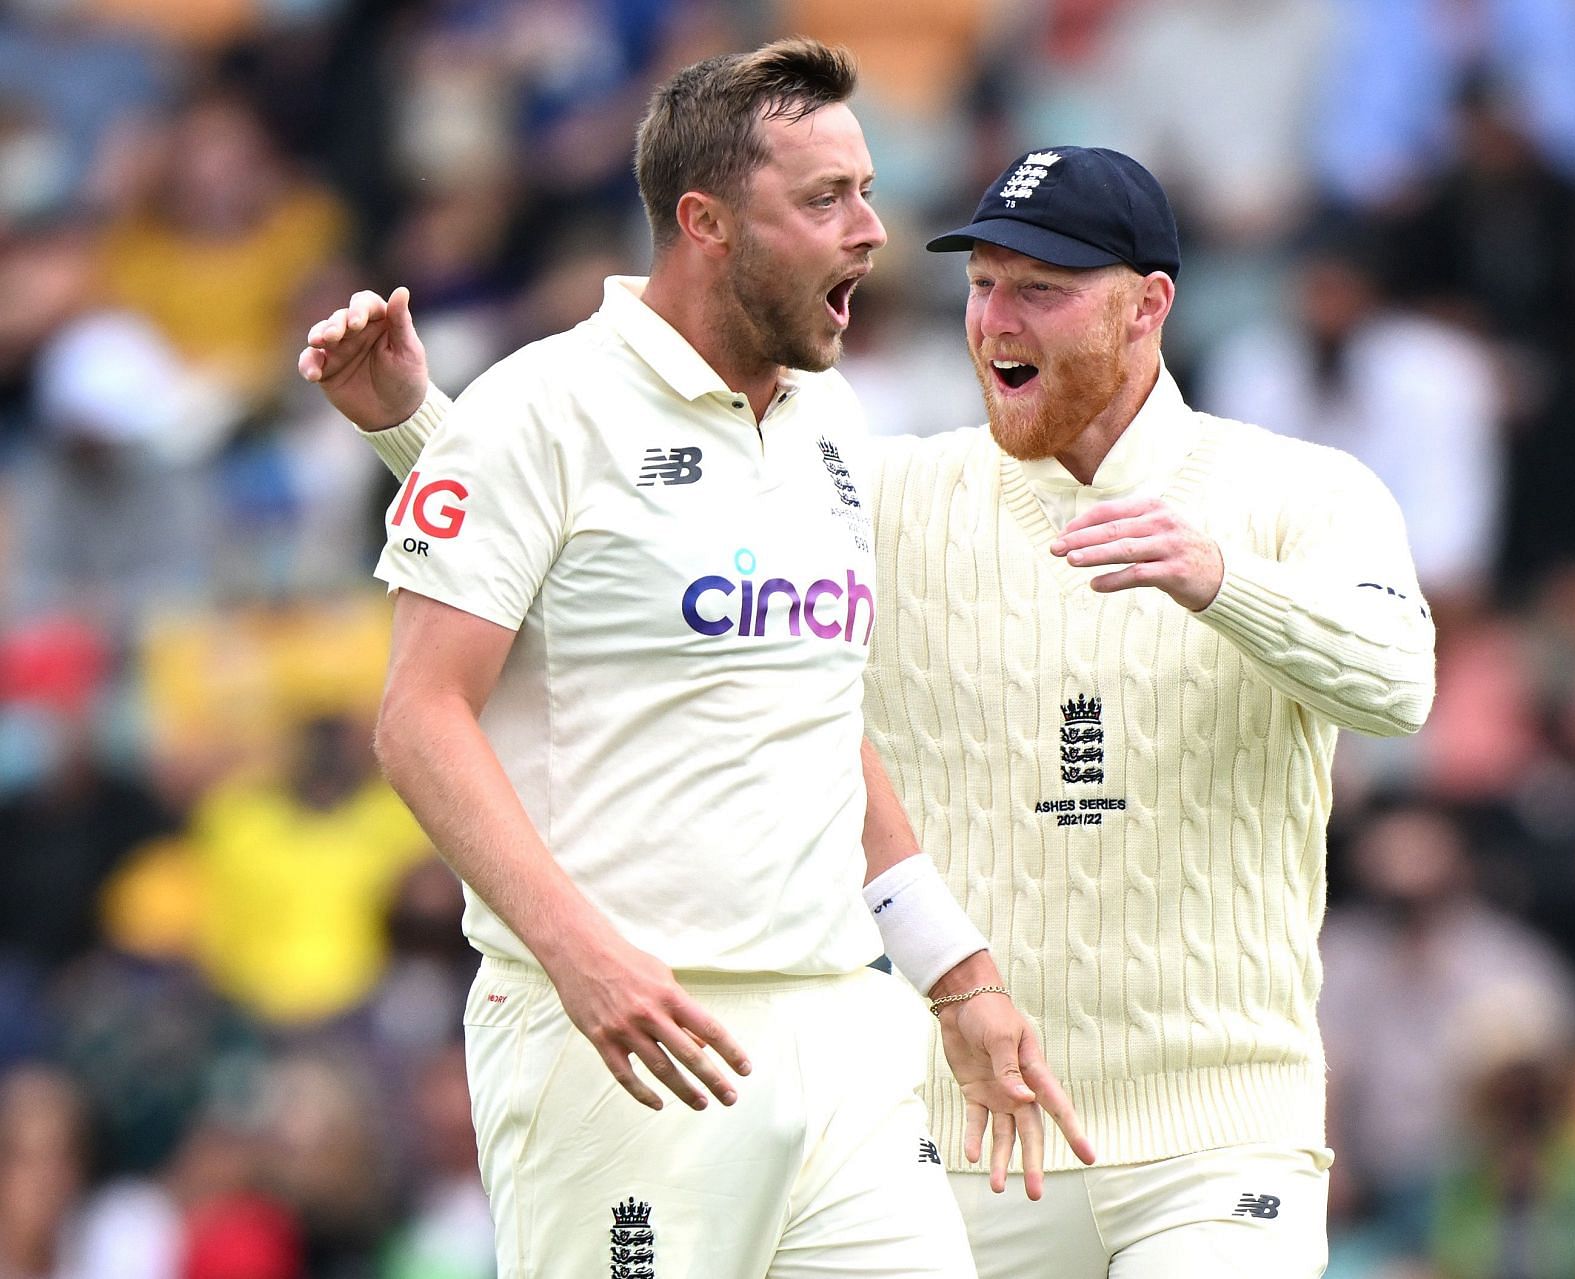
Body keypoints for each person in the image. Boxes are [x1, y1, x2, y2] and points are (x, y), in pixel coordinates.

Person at [312, 144, 1436, 1277]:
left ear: (1149, 306)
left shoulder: (1301, 493)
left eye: (1039, 290)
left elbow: (1397, 683)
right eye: (982, 283)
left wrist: (1221, 579)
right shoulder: (889, 493)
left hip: (1220, 1136)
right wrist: (421, 427)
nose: (997, 319)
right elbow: (638, 556)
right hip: (962, 1138)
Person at [296, 40, 1086, 1279]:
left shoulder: (828, 416)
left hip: (840, 1033)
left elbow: (817, 713)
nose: (871, 230)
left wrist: (956, 972)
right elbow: (419, 720)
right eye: (825, 199)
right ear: (706, 221)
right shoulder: (538, 407)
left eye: (866, 190)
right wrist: (579, 954)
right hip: (626, 1043)